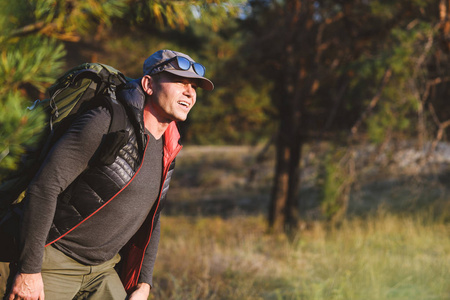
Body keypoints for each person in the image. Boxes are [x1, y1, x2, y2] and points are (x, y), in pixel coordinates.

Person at [1, 49, 214, 300]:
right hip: (53, 260)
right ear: (148, 85)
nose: (190, 93)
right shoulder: (106, 121)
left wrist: (144, 282)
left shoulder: (169, 144)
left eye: (194, 87)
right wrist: (29, 270)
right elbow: (44, 187)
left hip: (103, 269)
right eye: (179, 82)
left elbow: (151, 216)